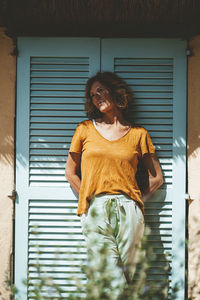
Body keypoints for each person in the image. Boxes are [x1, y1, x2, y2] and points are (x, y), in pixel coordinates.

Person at [65, 72, 163, 294]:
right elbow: (70, 173)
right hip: (95, 208)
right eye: (92, 94)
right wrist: (88, 198)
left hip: (128, 208)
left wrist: (134, 199)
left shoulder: (139, 134)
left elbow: (156, 178)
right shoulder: (84, 129)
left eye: (100, 90)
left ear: (115, 91)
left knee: (129, 276)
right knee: (110, 277)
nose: (96, 97)